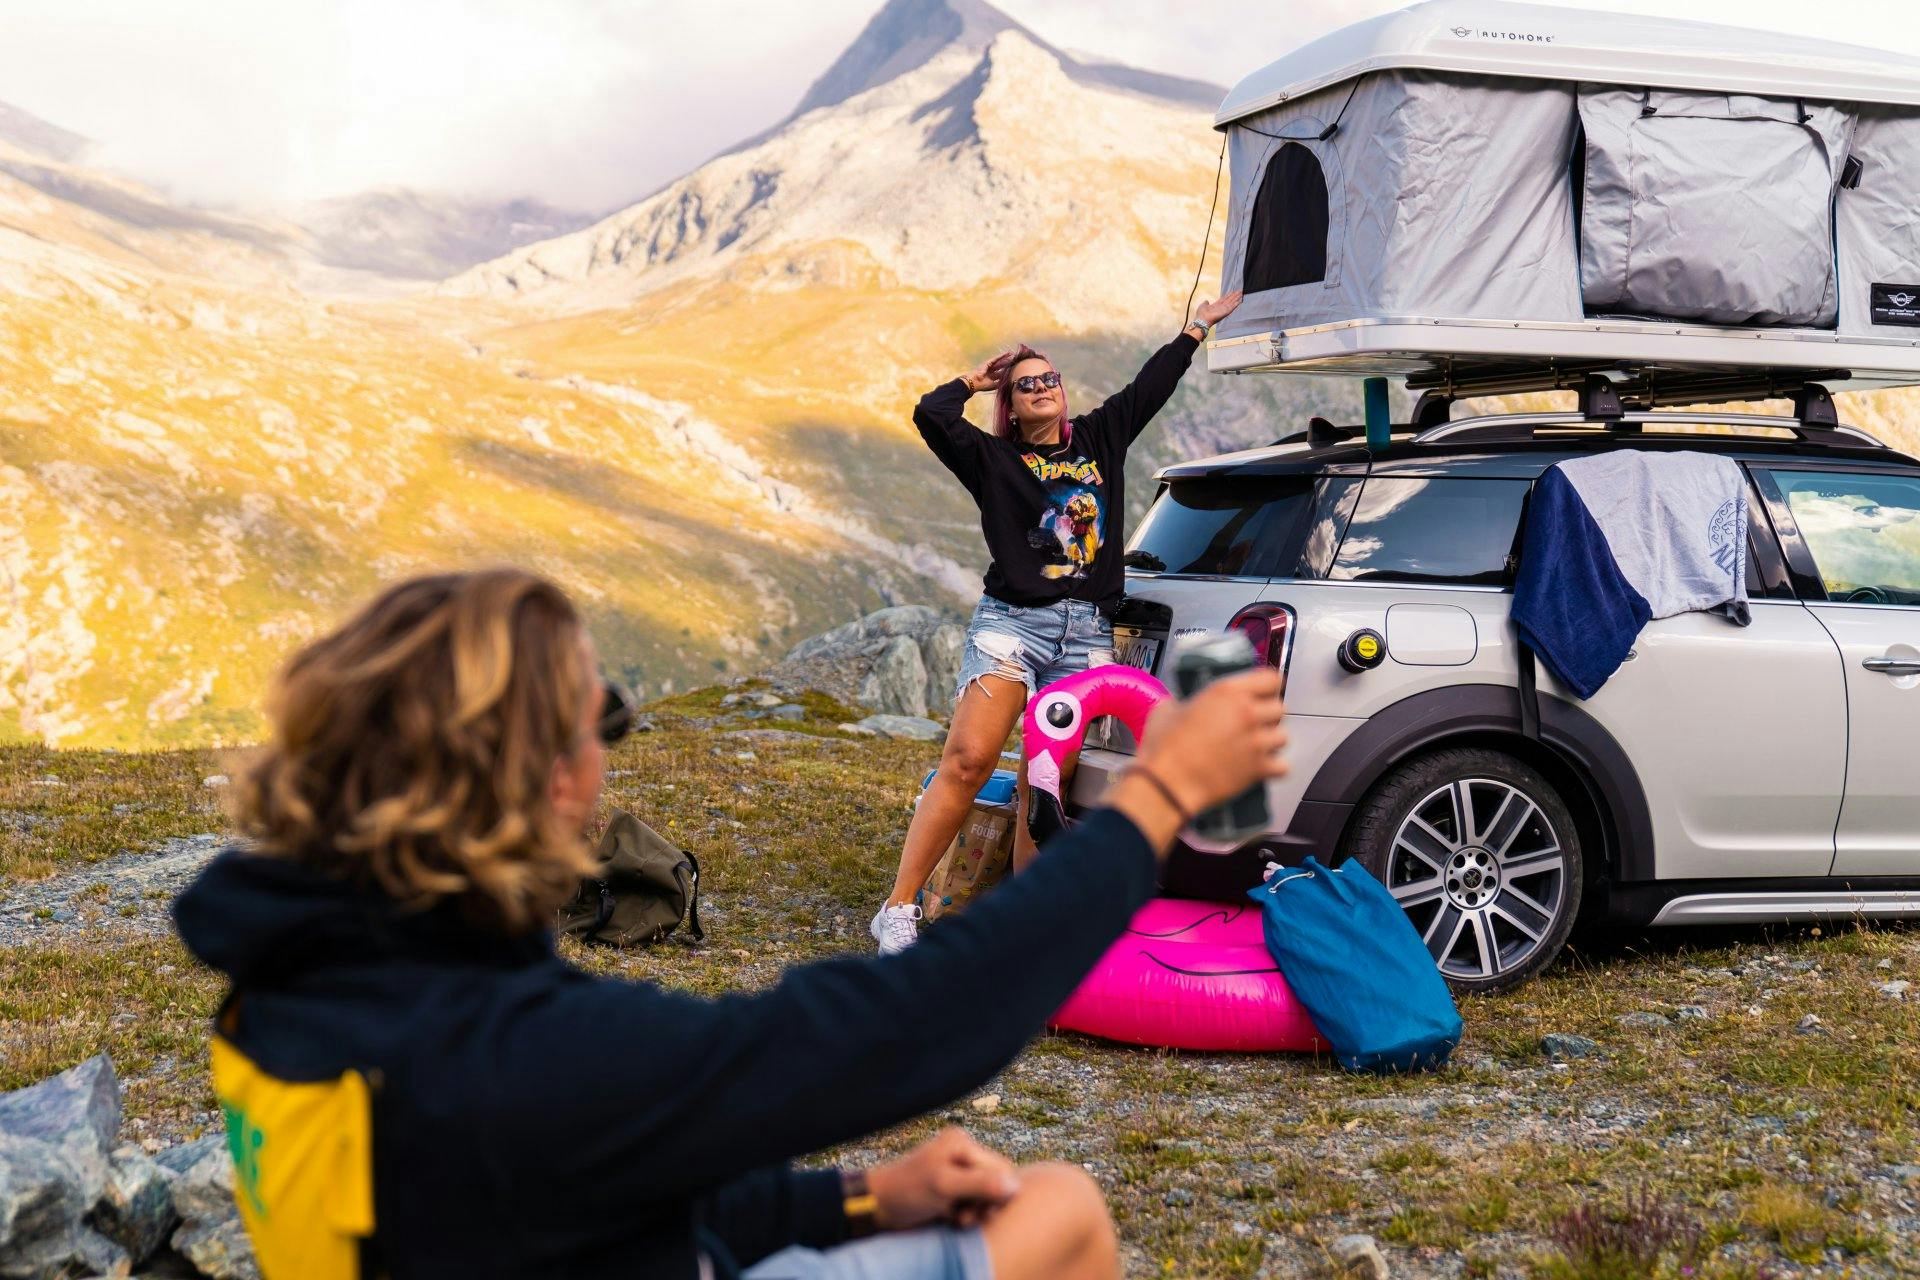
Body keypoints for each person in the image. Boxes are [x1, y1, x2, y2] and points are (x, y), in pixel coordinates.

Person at [172, 568, 1287, 1280]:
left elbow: (574, 1188)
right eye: (598, 719)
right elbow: (907, 1023)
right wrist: (1153, 798)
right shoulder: (510, 1047)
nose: (609, 750)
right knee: (1060, 1211)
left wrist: (856, 1193)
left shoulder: (292, 994)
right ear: (545, 775)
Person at [871, 292, 1245, 955]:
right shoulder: (992, 460)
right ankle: (899, 909)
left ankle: (1022, 922)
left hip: (1086, 637)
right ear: (1011, 404)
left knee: (1046, 782)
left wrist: (1198, 327)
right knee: (968, 761)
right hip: (1013, 627)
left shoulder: (1102, 437)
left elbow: (1152, 383)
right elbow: (930, 414)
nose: (1042, 389)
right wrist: (975, 380)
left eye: (1049, 379)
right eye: (1026, 384)